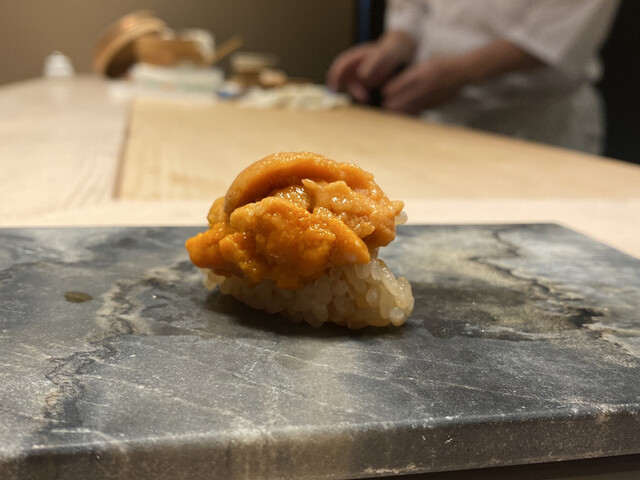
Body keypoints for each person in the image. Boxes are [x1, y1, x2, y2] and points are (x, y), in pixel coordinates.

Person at [327, 0, 620, 154]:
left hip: (537, 127)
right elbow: (415, 6)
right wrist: (392, 46)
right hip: (437, 121)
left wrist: (457, 73)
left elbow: (552, 35)